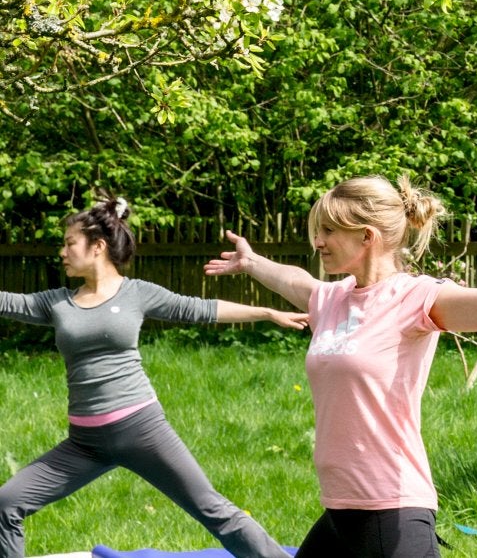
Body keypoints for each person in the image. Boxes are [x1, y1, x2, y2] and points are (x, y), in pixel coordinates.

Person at [205, 175, 477, 558]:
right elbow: (293, 279)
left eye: (328, 231)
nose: (317, 241)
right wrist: (251, 262)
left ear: (367, 237)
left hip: (390, 504)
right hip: (341, 505)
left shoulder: (416, 298)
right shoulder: (330, 299)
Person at [0, 197, 301, 558]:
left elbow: (201, 309)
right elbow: (7, 302)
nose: (62, 252)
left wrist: (267, 312)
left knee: (213, 510)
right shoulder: (58, 303)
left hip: (141, 430)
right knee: (6, 504)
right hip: (84, 443)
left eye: (69, 244)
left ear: (97, 247)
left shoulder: (137, 293)